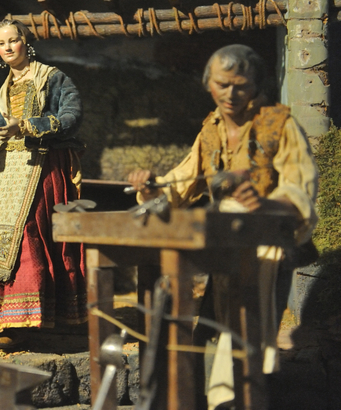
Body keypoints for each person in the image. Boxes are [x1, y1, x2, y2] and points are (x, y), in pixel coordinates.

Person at [127, 44, 318, 405]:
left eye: (241, 85)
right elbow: (178, 185)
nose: (231, 94)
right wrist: (152, 188)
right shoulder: (211, 129)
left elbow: (301, 190)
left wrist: (263, 203)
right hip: (226, 248)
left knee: (249, 334)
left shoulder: (279, 123)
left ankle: (241, 398)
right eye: (222, 84)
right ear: (208, 84)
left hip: (268, 248)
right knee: (212, 334)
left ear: (257, 85)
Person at [0, 19, 87, 348]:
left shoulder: (52, 78)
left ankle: (22, 319)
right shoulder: (6, 87)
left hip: (40, 166)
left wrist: (26, 126)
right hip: (6, 173)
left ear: (26, 41)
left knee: (27, 235)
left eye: (13, 40)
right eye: (1, 43)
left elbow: (72, 116)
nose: (8, 47)